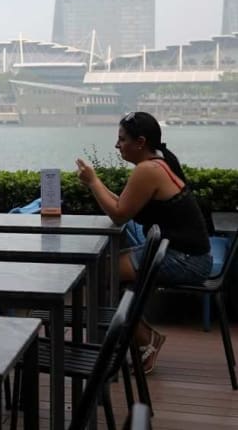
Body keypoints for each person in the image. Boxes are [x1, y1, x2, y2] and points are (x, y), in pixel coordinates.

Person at [75, 111, 212, 374]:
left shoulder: (148, 170)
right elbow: (124, 206)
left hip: (186, 259)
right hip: (185, 251)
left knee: (99, 274)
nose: (117, 146)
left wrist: (93, 182)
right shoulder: (160, 160)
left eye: (122, 139)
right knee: (109, 272)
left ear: (140, 142)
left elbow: (117, 214)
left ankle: (141, 340)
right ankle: (131, 338)